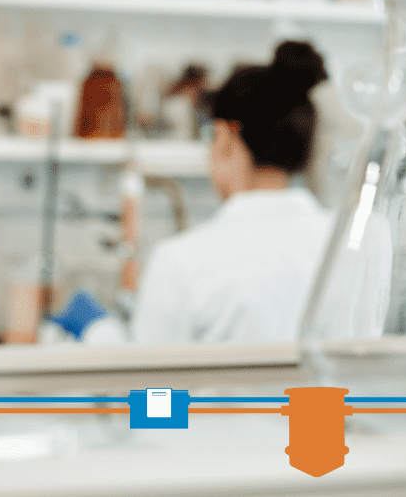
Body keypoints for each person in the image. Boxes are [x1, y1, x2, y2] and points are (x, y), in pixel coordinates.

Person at [51, 41, 335, 344]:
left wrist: (98, 331)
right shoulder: (358, 244)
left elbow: (149, 386)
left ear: (226, 137)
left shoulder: (182, 261)